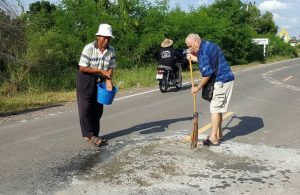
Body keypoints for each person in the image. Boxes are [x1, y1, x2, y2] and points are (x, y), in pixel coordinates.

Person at [185, 33, 234, 146]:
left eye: (189, 46)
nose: (189, 49)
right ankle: (219, 134)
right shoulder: (206, 46)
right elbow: (209, 62)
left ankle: (213, 138)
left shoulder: (203, 51)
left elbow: (207, 74)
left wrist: (197, 87)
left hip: (222, 80)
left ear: (196, 42)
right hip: (224, 79)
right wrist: (194, 57)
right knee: (218, 108)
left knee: (215, 109)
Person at [76, 23, 116, 146]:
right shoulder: (89, 48)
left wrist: (109, 80)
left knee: (98, 108)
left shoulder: (111, 50)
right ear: (98, 36)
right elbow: (82, 67)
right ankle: (89, 135)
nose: (106, 40)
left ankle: (94, 133)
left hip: (100, 79)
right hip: (86, 79)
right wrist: (100, 71)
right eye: (104, 37)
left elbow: (111, 68)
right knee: (86, 108)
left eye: (108, 38)